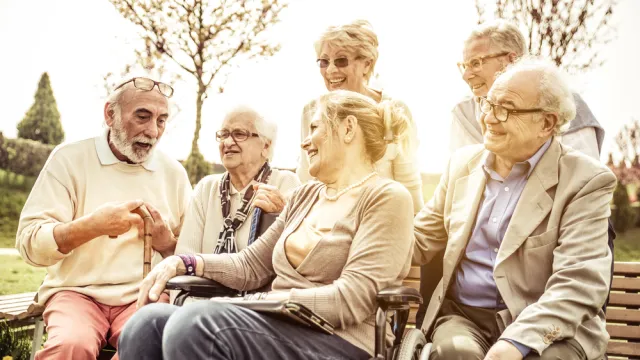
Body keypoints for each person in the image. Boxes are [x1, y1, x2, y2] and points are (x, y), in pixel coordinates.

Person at [117, 90, 415, 360]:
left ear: (348, 129)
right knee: (146, 325)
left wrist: (262, 302)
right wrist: (184, 263)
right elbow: (250, 266)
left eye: (315, 128)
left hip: (340, 341)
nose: (305, 141)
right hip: (276, 327)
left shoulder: (387, 198)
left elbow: (350, 299)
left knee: (196, 324)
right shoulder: (306, 195)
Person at [414, 58, 614, 359]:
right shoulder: (461, 165)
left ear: (547, 123)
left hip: (550, 324)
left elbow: (578, 282)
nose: (489, 119)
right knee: (454, 354)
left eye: (505, 109)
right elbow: (419, 240)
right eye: (488, 105)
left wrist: (516, 343)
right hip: (465, 318)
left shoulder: (585, 181)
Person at [16, 77, 192, 360]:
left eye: (161, 120)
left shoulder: (174, 173)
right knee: (71, 345)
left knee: (151, 347)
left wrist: (167, 243)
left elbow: (191, 258)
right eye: (142, 116)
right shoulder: (69, 159)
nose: (153, 131)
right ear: (110, 114)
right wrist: (93, 226)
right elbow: (29, 244)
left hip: (144, 294)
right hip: (75, 294)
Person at [297, 19, 424, 213]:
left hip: (382, 217)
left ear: (367, 64)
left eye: (341, 61)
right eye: (324, 61)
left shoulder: (394, 109)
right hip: (326, 219)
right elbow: (306, 180)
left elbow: (408, 184)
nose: (330, 70)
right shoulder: (311, 112)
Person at [450, 20, 604, 159]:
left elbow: (586, 179)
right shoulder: (463, 112)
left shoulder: (566, 104)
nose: (466, 76)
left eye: (476, 63)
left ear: (512, 60)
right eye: (464, 66)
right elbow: (460, 180)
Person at [175, 105, 300, 256]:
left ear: (266, 146)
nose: (227, 142)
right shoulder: (206, 188)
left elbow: (293, 253)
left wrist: (279, 215)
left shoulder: (285, 184)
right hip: (202, 280)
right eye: (224, 134)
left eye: (239, 134)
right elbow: (185, 256)